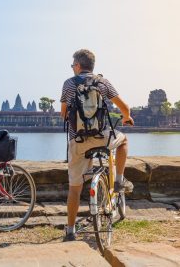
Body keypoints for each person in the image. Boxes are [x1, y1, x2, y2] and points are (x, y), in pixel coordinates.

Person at [60, 49, 134, 241]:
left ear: (77, 65)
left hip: (77, 141)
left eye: (72, 65)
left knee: (74, 188)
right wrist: (127, 118)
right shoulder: (103, 82)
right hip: (102, 137)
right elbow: (125, 108)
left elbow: (63, 114)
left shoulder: (68, 84)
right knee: (123, 140)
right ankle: (118, 179)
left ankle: (70, 230)